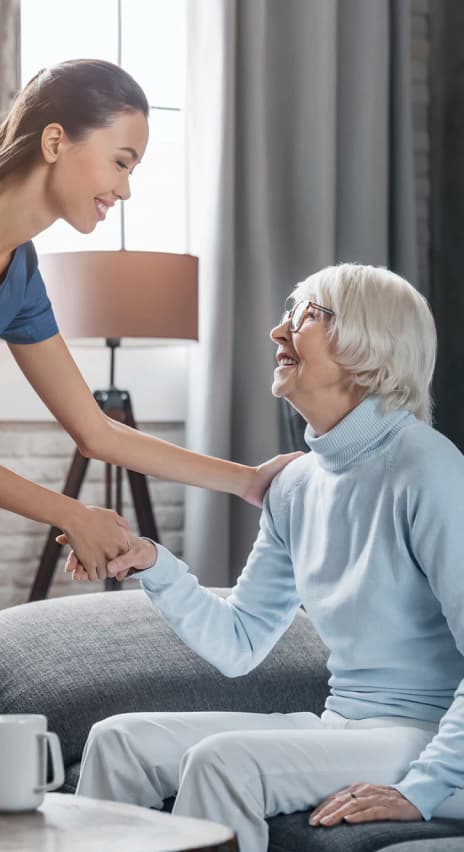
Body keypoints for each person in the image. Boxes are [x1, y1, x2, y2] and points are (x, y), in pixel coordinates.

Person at [0, 59, 297, 809]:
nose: (126, 189)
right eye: (121, 161)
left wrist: (247, 481)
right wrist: (73, 513)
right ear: (54, 142)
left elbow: (95, 430)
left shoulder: (18, 271)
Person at [68, 263, 464, 852]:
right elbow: (240, 642)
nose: (278, 331)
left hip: (429, 736)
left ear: (369, 343)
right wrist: (154, 564)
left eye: (306, 316)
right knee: (118, 741)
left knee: (222, 762)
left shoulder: (427, 467)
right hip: (344, 726)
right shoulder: (295, 485)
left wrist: (425, 787)